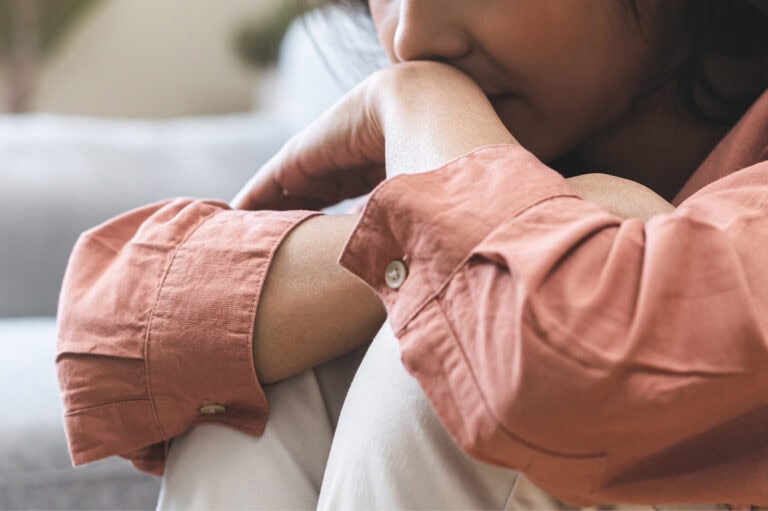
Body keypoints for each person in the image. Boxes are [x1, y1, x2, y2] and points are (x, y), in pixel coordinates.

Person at [56, 0, 768, 508]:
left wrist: (426, 139)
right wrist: (411, 249)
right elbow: (107, 331)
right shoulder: (472, 144)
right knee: (278, 374)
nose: (411, 35)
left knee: (485, 308)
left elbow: (555, 357)